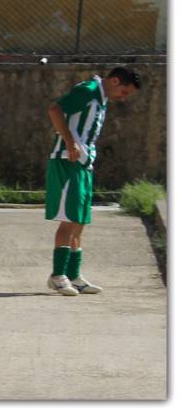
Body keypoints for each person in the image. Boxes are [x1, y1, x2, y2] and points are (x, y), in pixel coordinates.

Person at [45, 67, 141, 296]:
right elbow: (54, 110)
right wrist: (69, 142)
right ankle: (57, 276)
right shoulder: (88, 91)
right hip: (67, 161)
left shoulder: (101, 98)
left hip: (83, 163)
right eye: (124, 91)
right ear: (115, 81)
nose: (123, 97)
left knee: (79, 220)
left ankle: (73, 275)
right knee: (68, 219)